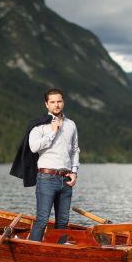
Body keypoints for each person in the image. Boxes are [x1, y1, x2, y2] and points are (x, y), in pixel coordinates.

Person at [9, 88, 80, 242]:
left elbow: (75, 150)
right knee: (42, 219)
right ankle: (33, 250)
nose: (57, 105)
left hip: (66, 179)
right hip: (47, 178)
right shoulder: (38, 125)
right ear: (46, 105)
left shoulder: (71, 125)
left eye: (59, 101)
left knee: (63, 222)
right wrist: (52, 133)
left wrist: (74, 172)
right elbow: (34, 147)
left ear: (63, 102)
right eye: (53, 102)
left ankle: (59, 252)